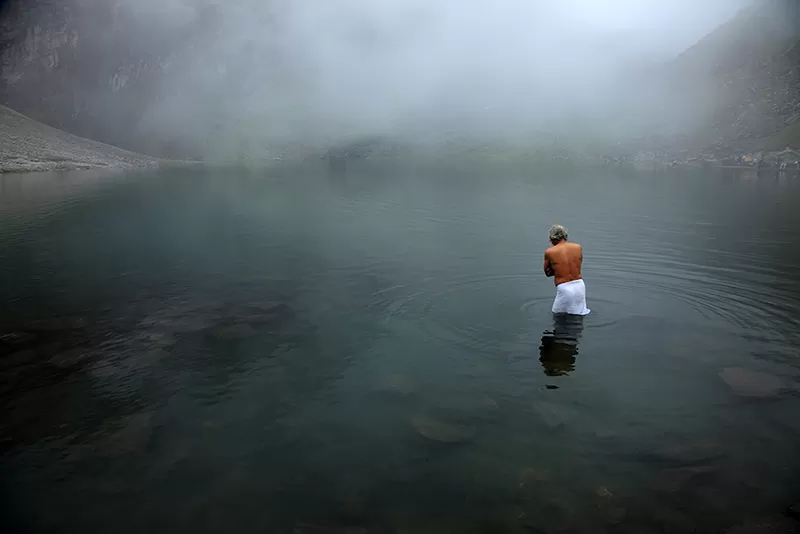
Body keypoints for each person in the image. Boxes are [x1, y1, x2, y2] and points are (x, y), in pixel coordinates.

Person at [543, 224, 590, 315]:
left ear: (552, 238)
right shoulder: (578, 247)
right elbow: (577, 264)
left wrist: (558, 269)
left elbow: (547, 273)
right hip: (580, 286)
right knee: (578, 316)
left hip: (564, 288)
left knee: (558, 317)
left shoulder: (550, 252)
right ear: (565, 236)